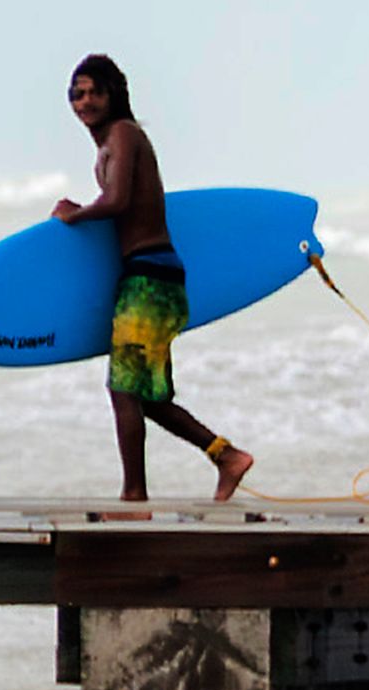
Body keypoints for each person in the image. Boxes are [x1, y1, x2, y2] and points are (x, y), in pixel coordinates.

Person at [52, 53, 255, 506]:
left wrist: (75, 215)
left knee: (124, 389)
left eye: (92, 92)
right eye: (76, 93)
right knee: (144, 395)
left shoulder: (124, 134)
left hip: (150, 278)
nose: (83, 101)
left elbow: (120, 200)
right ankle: (227, 457)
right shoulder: (108, 146)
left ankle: (134, 498)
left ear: (113, 95)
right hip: (146, 276)